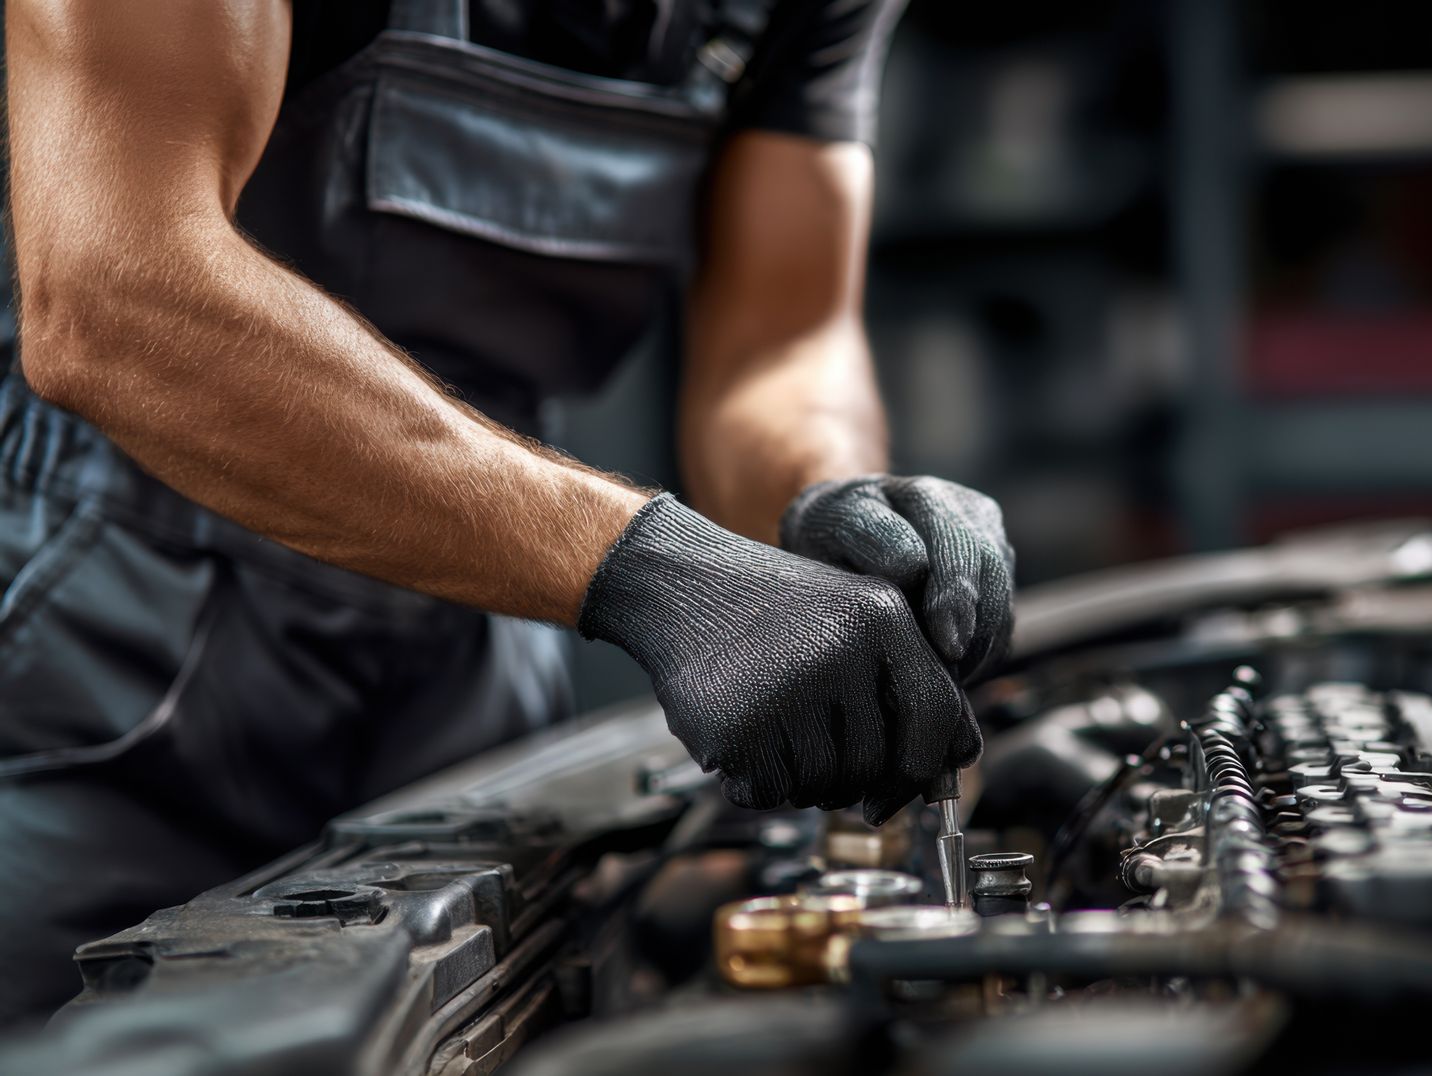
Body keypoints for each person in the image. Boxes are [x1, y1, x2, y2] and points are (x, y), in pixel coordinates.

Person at [0, 0, 1012, 1026]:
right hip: (107, 633)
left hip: (484, 625)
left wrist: (831, 501)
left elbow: (780, 344)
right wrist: (653, 565)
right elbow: (117, 293)